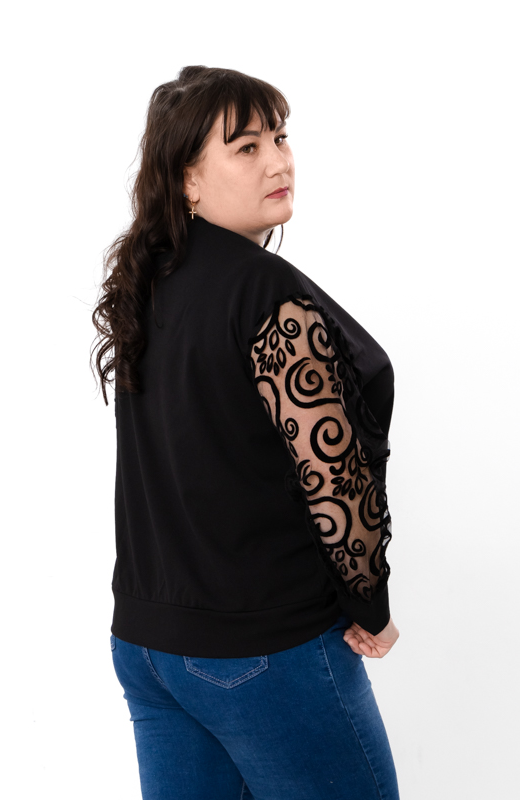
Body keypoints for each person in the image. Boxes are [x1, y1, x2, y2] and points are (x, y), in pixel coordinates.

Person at [92, 65, 401, 800]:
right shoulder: (265, 291)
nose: (277, 161)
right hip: (262, 650)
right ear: (188, 181)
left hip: (148, 644)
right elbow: (332, 473)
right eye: (246, 147)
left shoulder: (149, 283)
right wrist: (370, 605)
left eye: (280, 138)